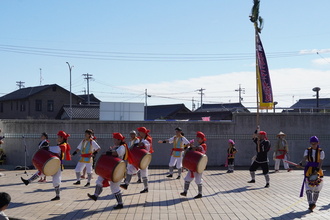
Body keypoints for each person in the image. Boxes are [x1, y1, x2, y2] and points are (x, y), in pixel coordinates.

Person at [21, 131, 71, 201]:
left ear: (62, 138)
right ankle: (28, 181)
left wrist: (47, 148)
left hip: (57, 165)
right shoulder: (61, 144)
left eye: (58, 137)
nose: (57, 138)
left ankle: (57, 196)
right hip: (54, 162)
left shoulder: (63, 145)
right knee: (41, 171)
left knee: (56, 181)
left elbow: (56, 149)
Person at [87, 133, 128, 210]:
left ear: (119, 140)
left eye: (115, 139)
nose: (114, 140)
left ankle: (120, 204)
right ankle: (95, 196)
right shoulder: (117, 146)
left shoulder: (122, 147)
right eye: (114, 139)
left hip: (118, 170)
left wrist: (108, 152)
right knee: (99, 180)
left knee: (114, 188)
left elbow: (116, 154)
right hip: (110, 168)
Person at [120, 127, 153, 193]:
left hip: (144, 159)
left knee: (144, 174)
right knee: (130, 168)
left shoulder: (148, 139)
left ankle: (146, 188)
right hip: (137, 159)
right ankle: (126, 184)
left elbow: (145, 145)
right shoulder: (140, 139)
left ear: (143, 133)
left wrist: (137, 144)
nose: (138, 133)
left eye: (139, 132)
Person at [298, 136, 325, 212]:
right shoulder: (307, 150)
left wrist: (317, 170)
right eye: (312, 143)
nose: (313, 145)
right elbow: (304, 159)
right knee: (308, 189)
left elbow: (320, 162)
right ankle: (310, 204)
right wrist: (300, 163)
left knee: (317, 189)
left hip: (318, 171)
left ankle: (314, 203)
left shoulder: (321, 151)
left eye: (315, 143)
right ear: (310, 143)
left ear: (318, 143)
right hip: (309, 170)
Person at [180, 131, 207, 199]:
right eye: (197, 138)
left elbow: (197, 148)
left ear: (202, 139)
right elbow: (192, 150)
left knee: (198, 180)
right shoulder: (198, 145)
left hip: (198, 165)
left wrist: (191, 146)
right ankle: (185, 192)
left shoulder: (203, 145)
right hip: (193, 165)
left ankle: (200, 194)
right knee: (187, 179)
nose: (197, 139)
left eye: (198, 138)